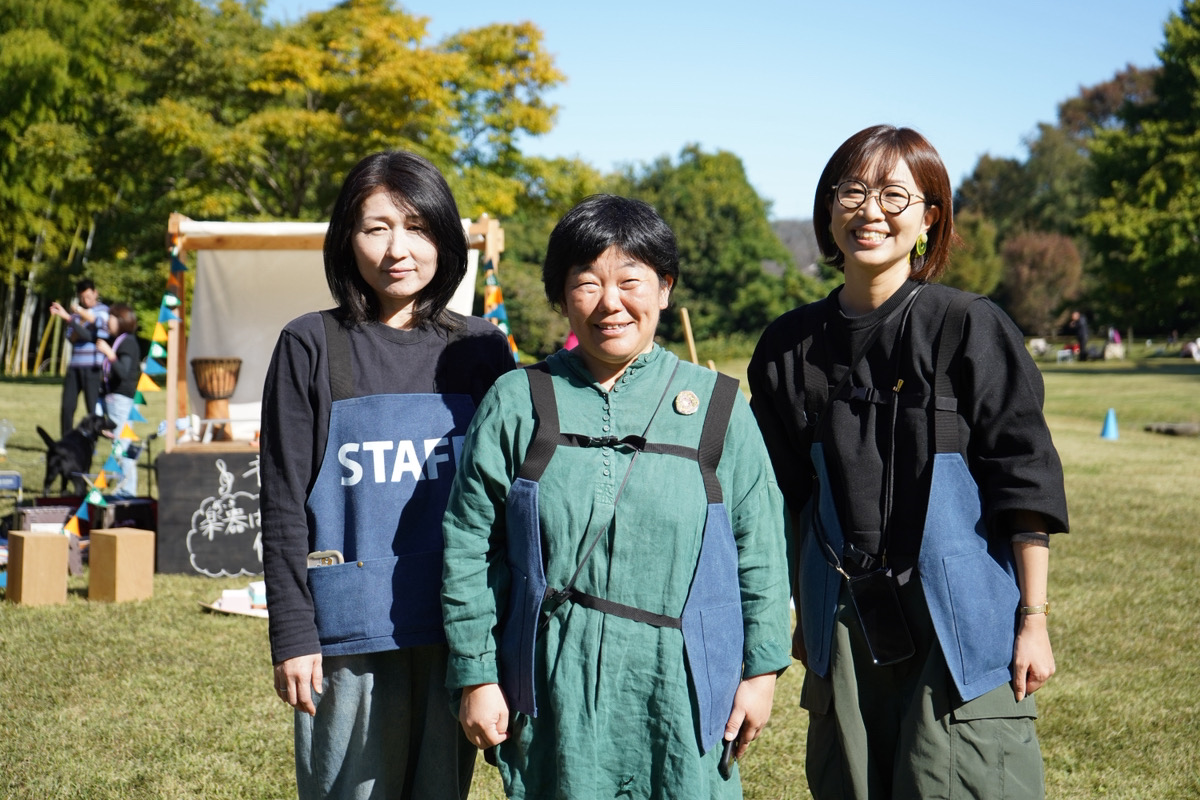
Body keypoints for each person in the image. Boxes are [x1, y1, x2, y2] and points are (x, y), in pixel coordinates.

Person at [748, 125, 1069, 800]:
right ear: (828, 209)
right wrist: (804, 616)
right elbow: (785, 498)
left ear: (929, 219)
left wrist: (1033, 619)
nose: (871, 210)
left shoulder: (967, 326)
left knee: (964, 780)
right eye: (853, 191)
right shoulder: (787, 348)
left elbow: (1023, 479)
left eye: (895, 195)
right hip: (845, 624)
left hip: (957, 624)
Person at [441, 194, 792, 799]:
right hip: (556, 681)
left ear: (664, 289)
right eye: (586, 283)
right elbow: (468, 542)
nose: (610, 302)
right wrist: (476, 675)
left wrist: (761, 671)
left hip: (681, 686)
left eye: (630, 281)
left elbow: (759, 544)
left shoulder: (718, 406)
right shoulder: (517, 400)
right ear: (561, 297)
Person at [259, 150, 515, 800]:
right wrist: (293, 633)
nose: (398, 248)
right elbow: (283, 501)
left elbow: (511, 499)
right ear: (348, 239)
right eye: (377, 228)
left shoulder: (482, 349)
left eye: (418, 227)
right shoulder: (310, 344)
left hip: (457, 630)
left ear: (445, 239)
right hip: (350, 633)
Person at [49, 278, 110, 436]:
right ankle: (66, 440)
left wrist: (72, 316)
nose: (86, 300)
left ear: (95, 293)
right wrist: (79, 320)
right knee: (67, 406)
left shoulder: (103, 310)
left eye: (89, 296)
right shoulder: (76, 315)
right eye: (82, 298)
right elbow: (73, 337)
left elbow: (95, 332)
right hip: (74, 367)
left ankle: (93, 441)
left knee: (92, 408)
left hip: (93, 368)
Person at [95, 303, 143, 497]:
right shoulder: (119, 341)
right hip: (115, 399)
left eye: (111, 318)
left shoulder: (127, 343)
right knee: (121, 445)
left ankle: (127, 491)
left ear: (121, 320)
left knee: (122, 446)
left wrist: (109, 354)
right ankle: (124, 489)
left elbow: (123, 372)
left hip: (122, 400)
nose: (108, 321)